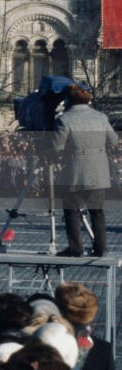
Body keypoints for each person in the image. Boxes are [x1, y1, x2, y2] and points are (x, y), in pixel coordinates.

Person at [51, 84, 118, 256]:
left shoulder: (65, 119)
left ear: (68, 99)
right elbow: (113, 141)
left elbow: (57, 147)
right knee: (97, 211)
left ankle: (75, 247)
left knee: (71, 210)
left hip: (76, 170)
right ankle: (101, 248)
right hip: (98, 169)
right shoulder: (100, 117)